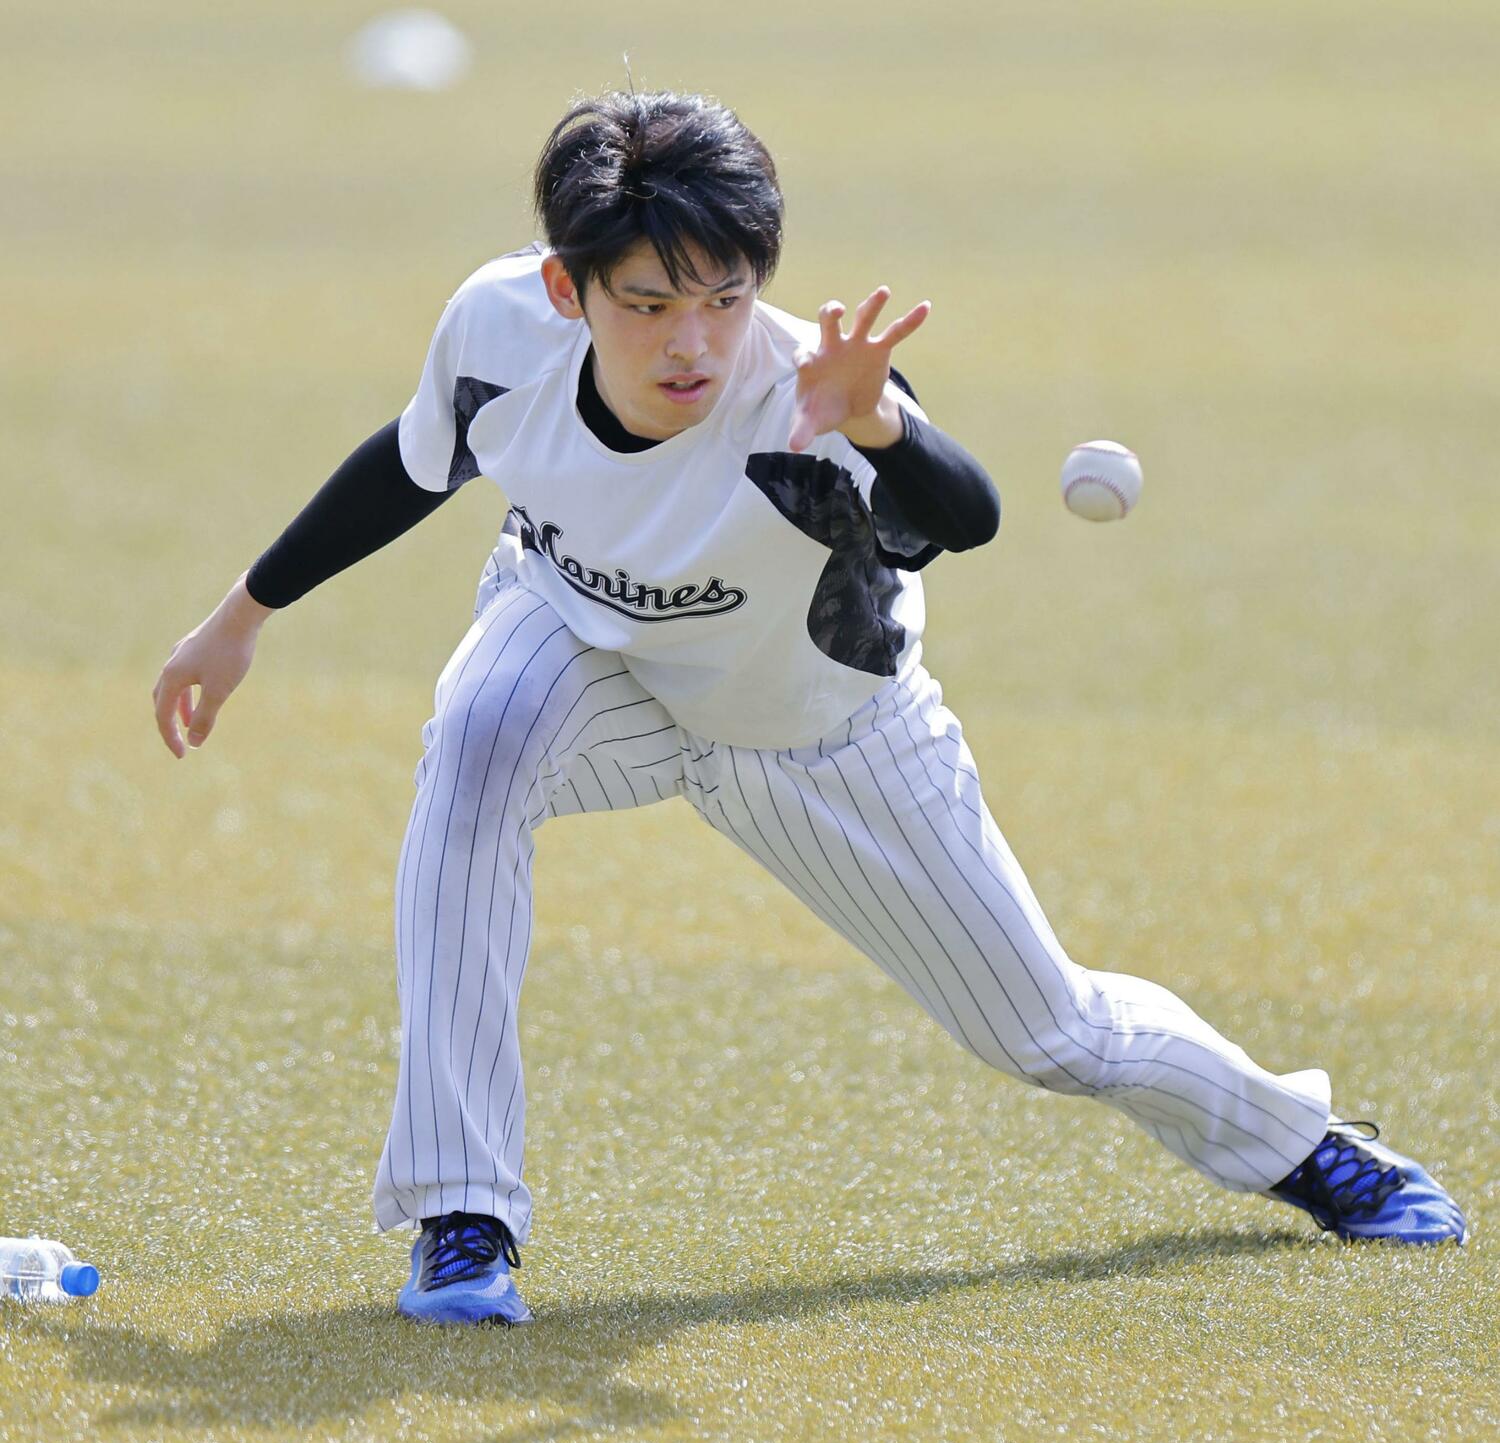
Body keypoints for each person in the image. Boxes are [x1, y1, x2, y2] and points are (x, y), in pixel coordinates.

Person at [152, 90, 1468, 1326]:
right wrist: (240, 616)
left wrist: (885, 426)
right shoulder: (500, 327)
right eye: (652, 300)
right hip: (590, 653)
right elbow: (416, 459)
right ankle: (464, 1214)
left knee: (1047, 1028)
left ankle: (1305, 1146)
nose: (695, 341)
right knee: (477, 746)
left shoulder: (811, 400)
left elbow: (967, 520)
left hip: (817, 725)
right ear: (570, 289)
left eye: (727, 297)